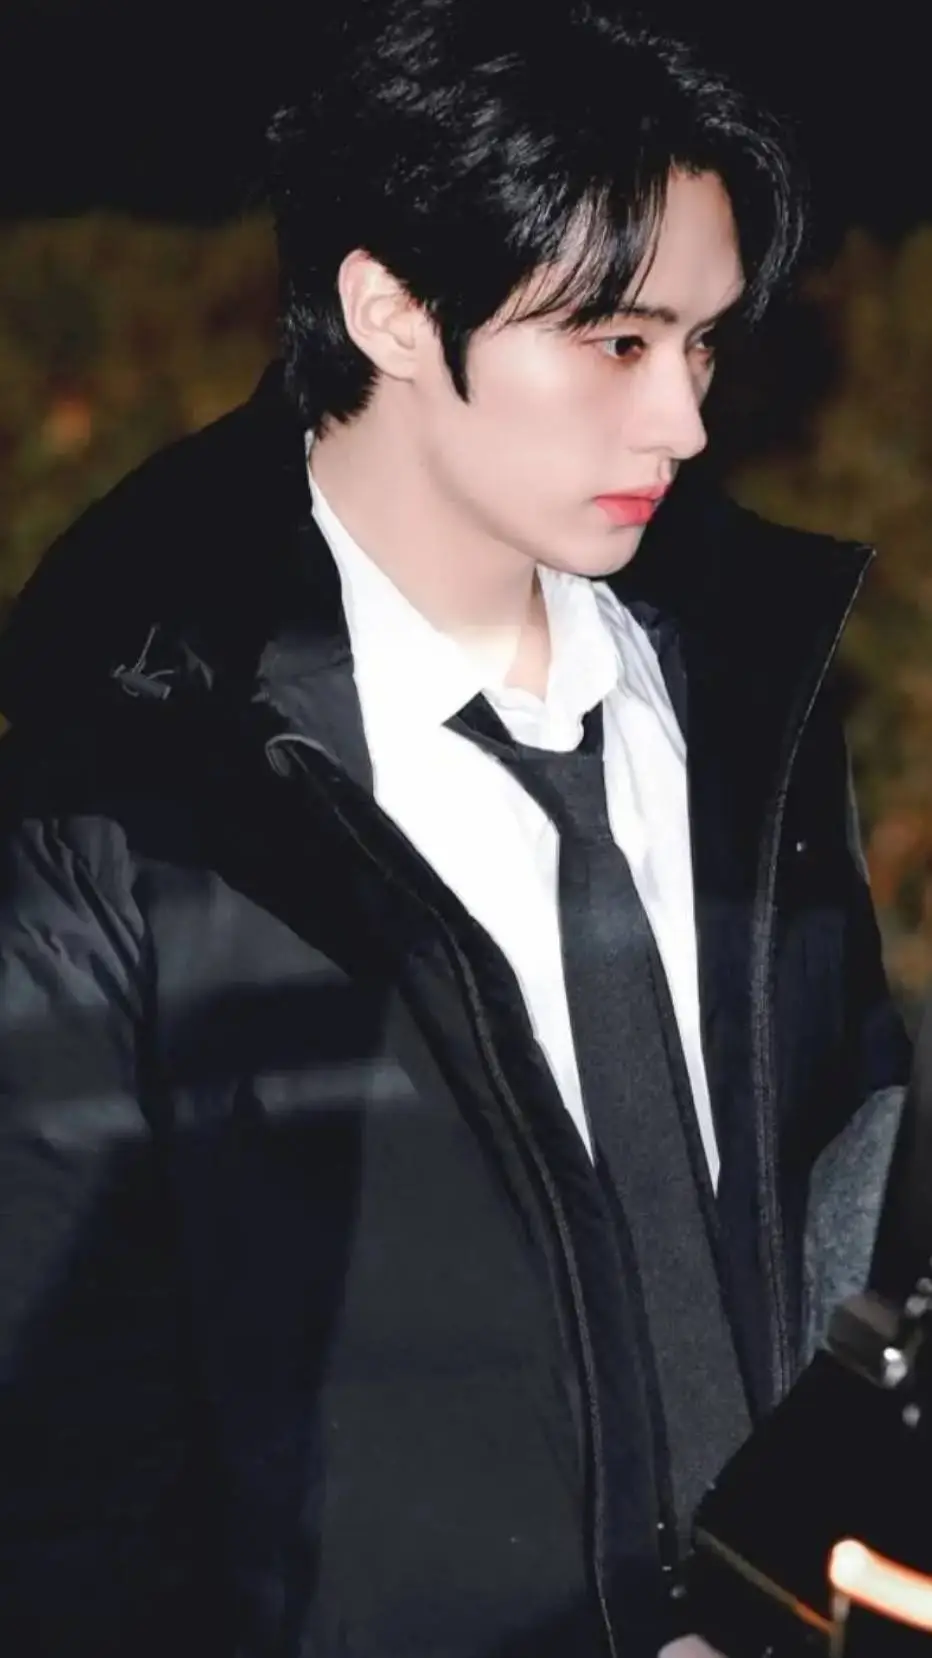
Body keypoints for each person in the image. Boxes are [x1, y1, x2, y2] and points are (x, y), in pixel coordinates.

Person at [0, 3, 911, 1655]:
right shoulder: (130, 802)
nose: (686, 420)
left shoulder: (752, 702)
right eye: (618, 343)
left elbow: (854, 1207)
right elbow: (62, 1473)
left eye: (705, 344)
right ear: (393, 313)